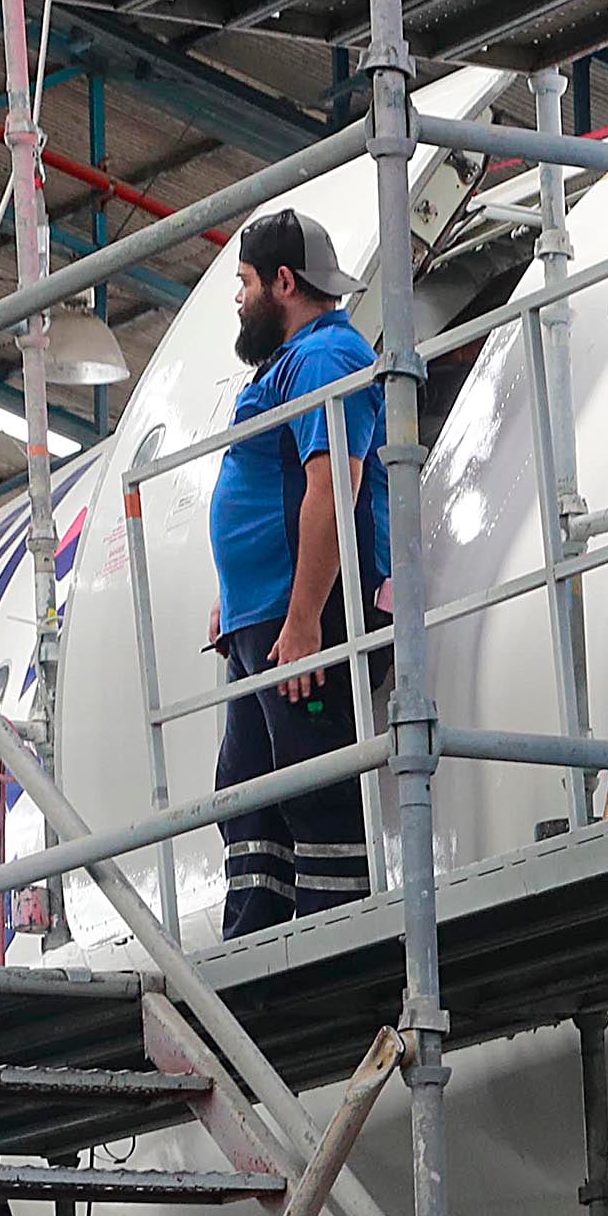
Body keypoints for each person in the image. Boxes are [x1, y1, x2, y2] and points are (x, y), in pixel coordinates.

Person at [207, 208, 387, 941]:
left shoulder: (325, 358)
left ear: (284, 282)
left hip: (302, 613)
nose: (239, 298)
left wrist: (307, 617)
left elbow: (332, 485)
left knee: (314, 784)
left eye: (245, 283)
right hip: (263, 616)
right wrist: (232, 597)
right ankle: (254, 942)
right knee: (248, 788)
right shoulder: (290, 364)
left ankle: (331, 944)